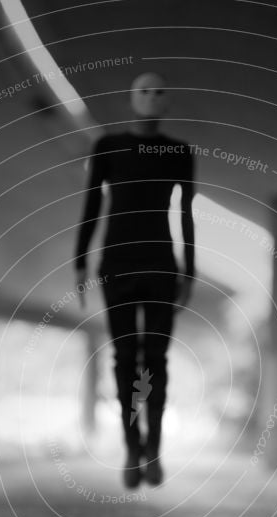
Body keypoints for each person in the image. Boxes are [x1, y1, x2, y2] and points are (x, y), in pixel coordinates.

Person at [74, 72, 195, 488]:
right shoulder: (108, 148)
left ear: (167, 102)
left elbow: (186, 213)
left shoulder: (178, 152)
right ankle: (132, 445)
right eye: (145, 91)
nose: (152, 98)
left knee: (156, 361)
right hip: (117, 263)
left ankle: (154, 450)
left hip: (161, 264)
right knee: (125, 359)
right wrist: (80, 259)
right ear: (131, 98)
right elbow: (91, 204)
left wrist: (189, 269)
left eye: (160, 91)